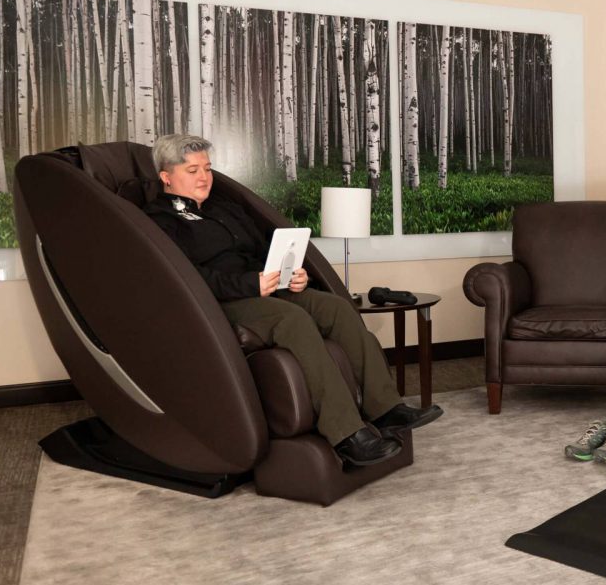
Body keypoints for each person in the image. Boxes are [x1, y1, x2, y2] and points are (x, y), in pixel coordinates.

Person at [144, 134, 442, 467]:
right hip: (221, 302)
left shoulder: (225, 208)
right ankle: (346, 435)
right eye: (192, 170)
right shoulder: (159, 221)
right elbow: (188, 278)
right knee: (292, 320)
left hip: (268, 287)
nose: (203, 177)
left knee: (337, 309)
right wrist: (249, 283)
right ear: (166, 176)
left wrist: (294, 273)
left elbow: (261, 250)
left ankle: (386, 410)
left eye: (208, 169)